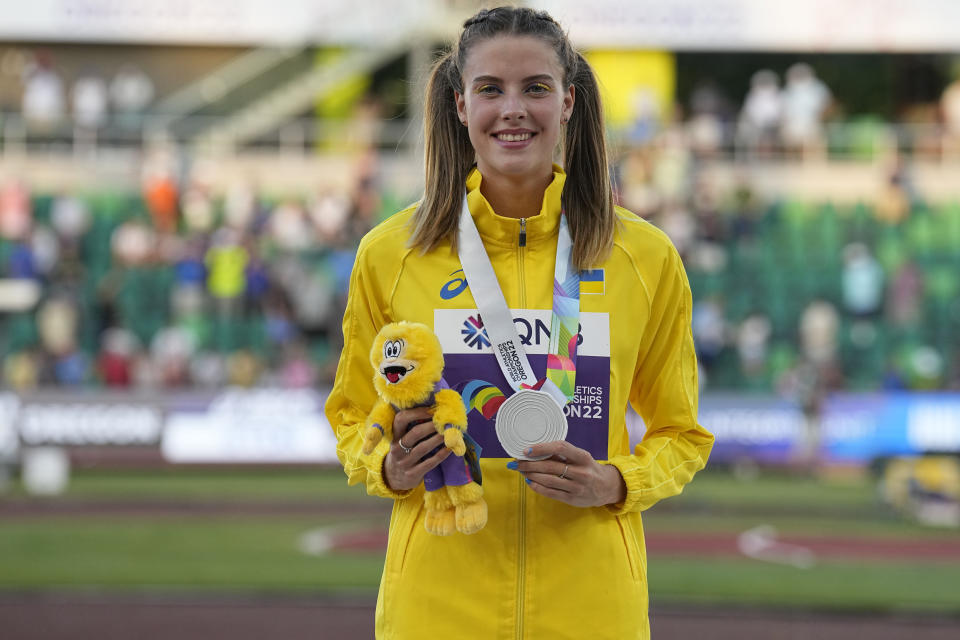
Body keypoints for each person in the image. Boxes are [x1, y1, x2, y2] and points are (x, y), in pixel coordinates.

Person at [324, 7, 713, 639]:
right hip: (436, 606)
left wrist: (617, 482)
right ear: (458, 105)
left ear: (567, 102)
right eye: (490, 89)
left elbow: (682, 433)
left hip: (591, 606)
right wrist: (387, 469)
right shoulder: (391, 254)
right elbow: (351, 416)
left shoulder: (643, 257)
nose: (513, 109)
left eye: (535, 87)